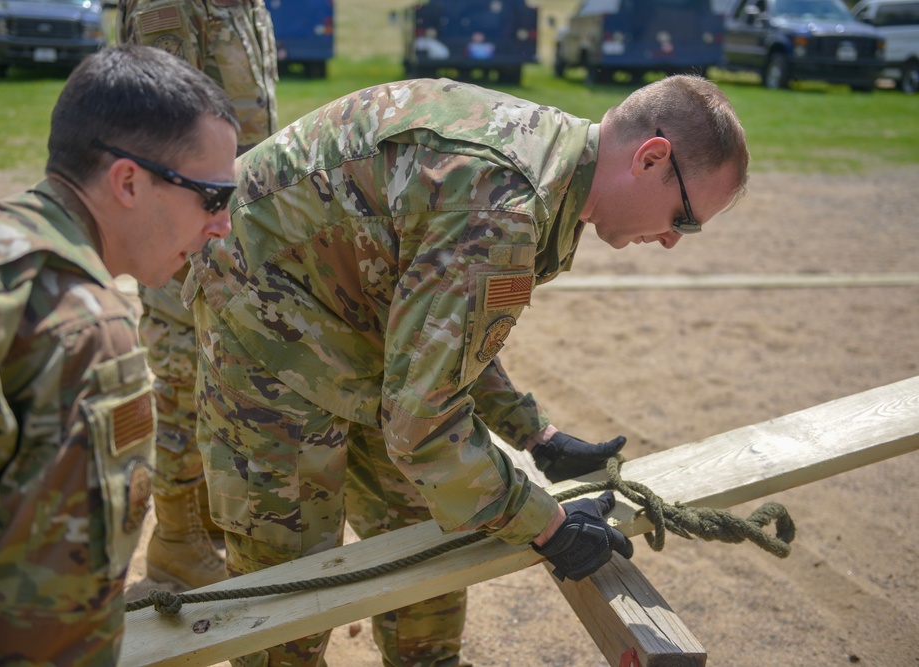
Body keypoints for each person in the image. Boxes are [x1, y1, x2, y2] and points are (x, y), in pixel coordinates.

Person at [187, 74, 749, 667]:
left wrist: (533, 432)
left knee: (422, 537)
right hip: (262, 310)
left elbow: (440, 331)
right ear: (651, 157)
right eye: (683, 218)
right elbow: (421, 424)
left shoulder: (543, 162)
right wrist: (550, 526)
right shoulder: (502, 207)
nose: (670, 241)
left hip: (353, 307)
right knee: (290, 586)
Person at [0, 45, 238, 666]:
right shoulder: (82, 332)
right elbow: (42, 642)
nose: (222, 225)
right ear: (127, 181)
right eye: (212, 196)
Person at [117, 0, 279, 590]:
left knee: (221, 373)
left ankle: (207, 524)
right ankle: (176, 540)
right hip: (180, 225)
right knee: (183, 376)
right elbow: (163, 127)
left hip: (232, 222)